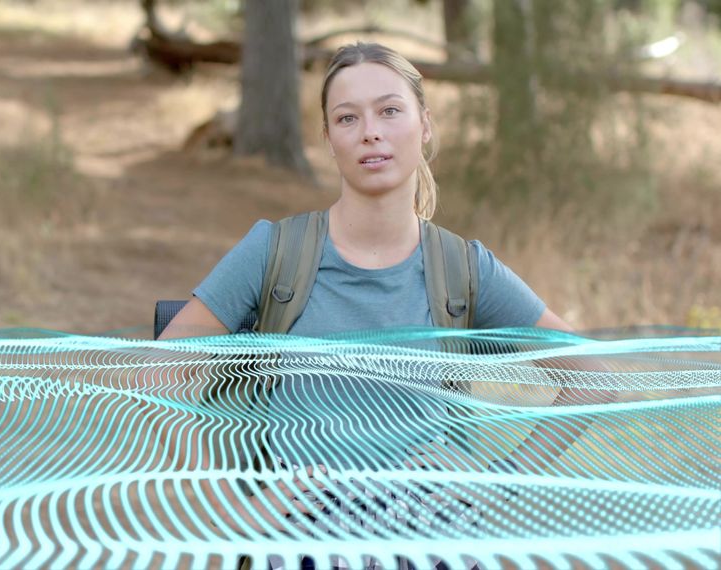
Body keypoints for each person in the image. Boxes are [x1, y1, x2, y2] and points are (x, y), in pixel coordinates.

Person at [157, 42, 587, 570]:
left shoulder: (464, 268)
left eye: (390, 110)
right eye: (347, 117)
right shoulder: (275, 252)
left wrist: (502, 481)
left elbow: (594, 376)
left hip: (429, 530)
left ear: (424, 125)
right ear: (328, 138)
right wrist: (228, 504)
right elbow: (160, 372)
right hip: (304, 532)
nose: (371, 131)